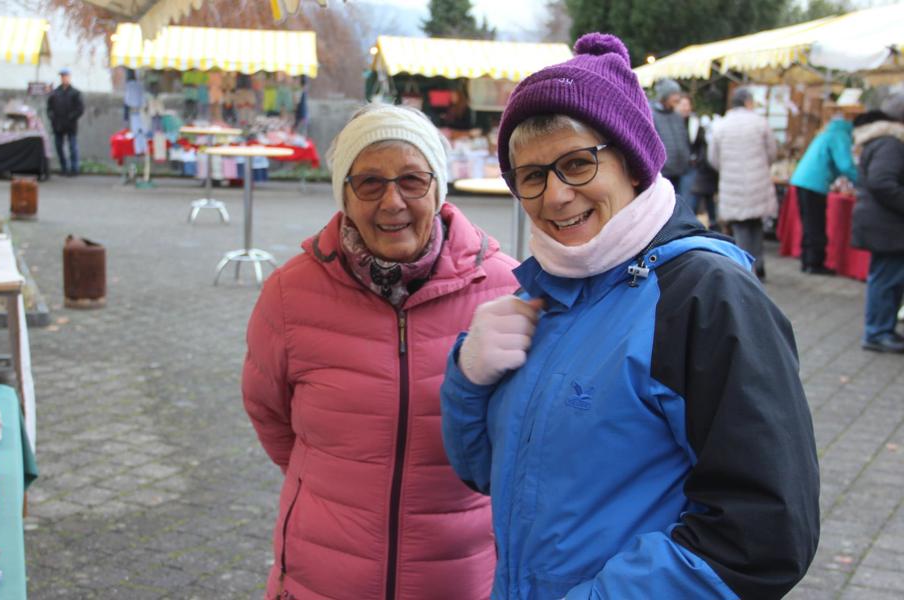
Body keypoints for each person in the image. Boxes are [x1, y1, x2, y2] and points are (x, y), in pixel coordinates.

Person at [440, 33, 819, 600]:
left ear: (633, 164)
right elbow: (486, 473)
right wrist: (467, 381)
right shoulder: (544, 293)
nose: (556, 196)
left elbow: (760, 531)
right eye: (532, 176)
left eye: (576, 163)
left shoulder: (703, 297)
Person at [242, 103, 519, 599]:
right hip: (321, 575)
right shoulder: (289, 294)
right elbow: (269, 413)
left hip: (458, 578)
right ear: (343, 196)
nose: (392, 201)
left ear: (438, 189)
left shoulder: (505, 289)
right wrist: (333, 481)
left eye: (412, 180)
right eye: (369, 183)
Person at [851, 95, 904, 353]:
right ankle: (877, 333)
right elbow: (882, 182)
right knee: (886, 279)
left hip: (884, 223)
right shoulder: (891, 143)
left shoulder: (884, 140)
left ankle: (883, 329)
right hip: (886, 224)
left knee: (888, 278)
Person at [708, 87, 778, 280]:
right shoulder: (760, 122)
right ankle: (759, 264)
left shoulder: (721, 125)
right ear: (748, 102)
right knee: (756, 225)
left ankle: (745, 268)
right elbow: (772, 152)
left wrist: (727, 169)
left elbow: (713, 158)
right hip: (758, 181)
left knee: (740, 227)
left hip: (732, 183)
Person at [790, 114, 858, 274]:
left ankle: (807, 260)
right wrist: (862, 180)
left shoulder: (827, 133)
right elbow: (846, 165)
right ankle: (815, 263)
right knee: (815, 224)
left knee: (808, 223)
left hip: (801, 180)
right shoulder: (840, 136)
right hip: (815, 183)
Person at [650, 77, 691, 189]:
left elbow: (684, 138)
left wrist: (686, 157)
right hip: (663, 172)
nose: (677, 97)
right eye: (674, 94)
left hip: (680, 169)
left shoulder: (677, 116)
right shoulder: (652, 115)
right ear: (665, 96)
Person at [47, 68, 84, 176]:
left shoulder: (75, 93)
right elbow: (49, 108)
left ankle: (74, 168)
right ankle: (64, 167)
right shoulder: (55, 93)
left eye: (66, 76)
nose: (64, 78)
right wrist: (52, 117)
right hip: (58, 124)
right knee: (59, 147)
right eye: (62, 76)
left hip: (70, 124)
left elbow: (80, 109)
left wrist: (71, 117)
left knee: (73, 147)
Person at [690, 113, 719, 228]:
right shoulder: (703, 128)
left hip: (704, 169)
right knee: (703, 197)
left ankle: (696, 222)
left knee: (703, 197)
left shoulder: (702, 128)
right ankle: (711, 222)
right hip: (705, 168)